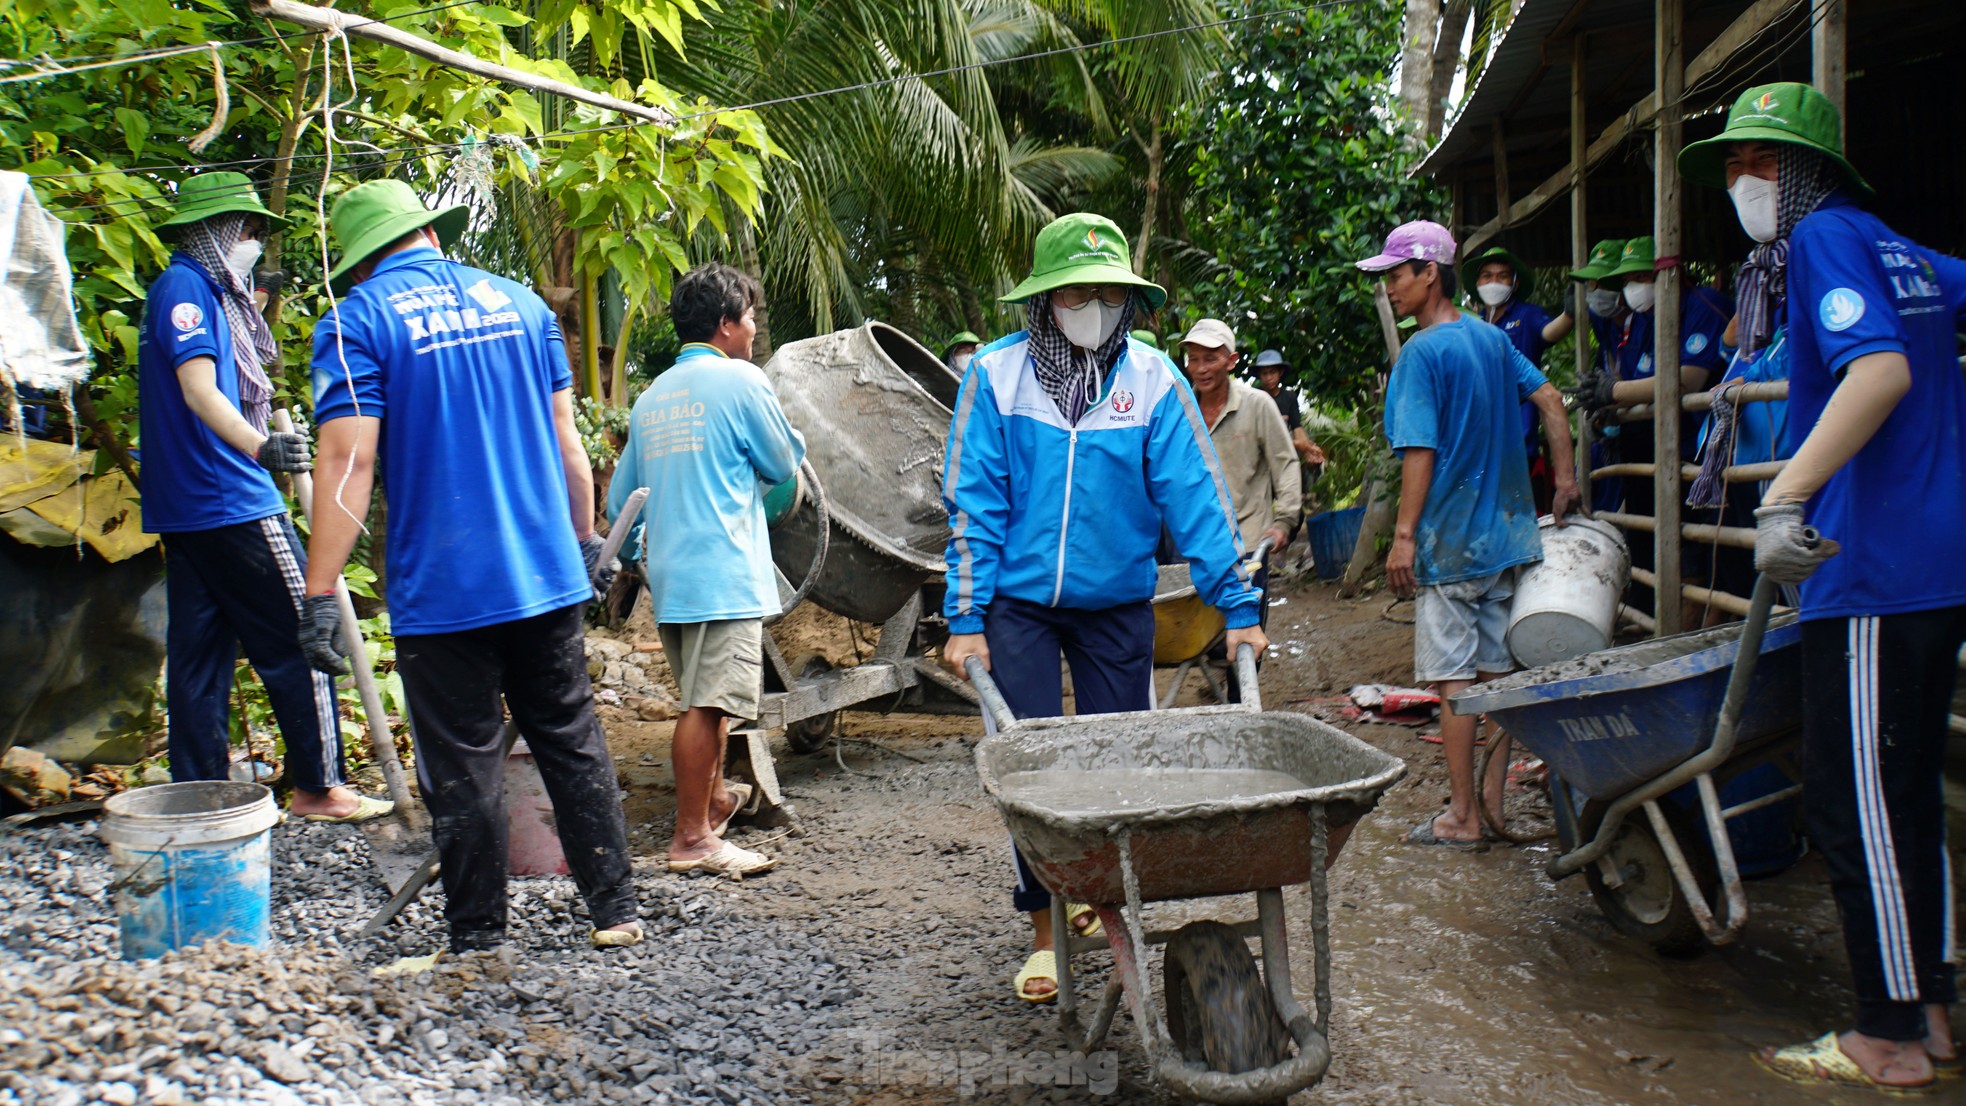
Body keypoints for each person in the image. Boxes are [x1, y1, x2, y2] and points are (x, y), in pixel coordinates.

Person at [1681, 81, 1965, 1093]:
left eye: (1753, 163)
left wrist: (1783, 497)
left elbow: (1877, 373)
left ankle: (1883, 1033)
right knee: (1908, 795)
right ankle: (1927, 1008)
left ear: (1799, 173)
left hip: (1870, 563)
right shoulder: (1902, 250)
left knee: (1855, 805)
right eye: (1729, 164)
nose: (1737, 182)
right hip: (1935, 565)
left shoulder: (1826, 243)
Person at [299, 179, 640, 953]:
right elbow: (567, 442)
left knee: (464, 760)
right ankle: (616, 909)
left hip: (444, 588)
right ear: (429, 236)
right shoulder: (520, 305)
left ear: (360, 263)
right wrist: (583, 542)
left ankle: (480, 937)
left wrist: (320, 590)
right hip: (544, 573)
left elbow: (348, 463)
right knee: (569, 735)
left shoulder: (358, 320)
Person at [940, 213, 1267, 1003]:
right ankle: (1044, 932)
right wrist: (965, 615)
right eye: (1079, 292)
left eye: (1110, 293)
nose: (1095, 307)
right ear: (1047, 299)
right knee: (1030, 769)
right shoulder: (997, 375)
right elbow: (973, 502)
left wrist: (1238, 604)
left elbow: (1197, 499)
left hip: (1117, 605)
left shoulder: (1153, 380)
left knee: (1118, 769)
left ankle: (1099, 903)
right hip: (1017, 607)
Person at [137, 171, 381, 822]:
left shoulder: (179, 290)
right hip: (228, 497)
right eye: (246, 231)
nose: (253, 243)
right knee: (300, 639)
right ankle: (318, 786)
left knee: (200, 656)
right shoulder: (189, 291)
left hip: (186, 506)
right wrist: (260, 447)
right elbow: (199, 389)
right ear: (216, 232)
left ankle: (198, 795)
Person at [1353, 220, 1581, 847]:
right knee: (1496, 677)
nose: (1390, 289)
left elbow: (1419, 450)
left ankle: (1462, 817)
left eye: (1396, 275)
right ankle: (1492, 804)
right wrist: (1564, 482)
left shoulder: (1422, 355)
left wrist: (1403, 536)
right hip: (1508, 539)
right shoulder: (1491, 339)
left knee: (1453, 681)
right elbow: (1554, 403)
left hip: (1452, 546)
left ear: (1430, 273)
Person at [609, 265, 805, 878]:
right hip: (724, 571)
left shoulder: (651, 397)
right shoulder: (741, 381)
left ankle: (715, 801)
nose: (752, 329)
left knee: (705, 698)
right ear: (725, 325)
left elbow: (621, 506)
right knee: (708, 708)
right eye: (748, 317)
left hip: (672, 576)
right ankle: (692, 839)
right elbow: (781, 462)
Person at [1576, 236, 1729, 617]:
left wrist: (1615, 393)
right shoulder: (1643, 318)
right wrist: (1612, 407)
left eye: (1642, 275)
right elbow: (1637, 384)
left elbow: (1687, 381)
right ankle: (1657, 614)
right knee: (1657, 534)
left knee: (1705, 542)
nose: (1633, 286)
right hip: (1657, 443)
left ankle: (1701, 624)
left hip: (1704, 444)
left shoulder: (1702, 306)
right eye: (1628, 278)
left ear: (1669, 272)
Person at [1461, 246, 1577, 513]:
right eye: (1487, 276)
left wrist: (1569, 315)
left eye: (1502, 276)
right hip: (1478, 448)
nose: (1494, 282)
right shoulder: (1472, 324)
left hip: (1518, 445)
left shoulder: (1526, 315)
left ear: (1514, 283)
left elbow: (1550, 332)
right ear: (1477, 284)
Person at [1251, 348, 1327, 480]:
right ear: (1259, 375)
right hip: (1258, 459)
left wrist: (1308, 450)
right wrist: (1298, 445)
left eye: (1272, 372)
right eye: (1264, 373)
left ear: (1280, 372)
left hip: (1281, 458)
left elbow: (1297, 427)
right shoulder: (1254, 397)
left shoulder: (1289, 397)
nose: (1268, 378)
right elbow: (1256, 437)